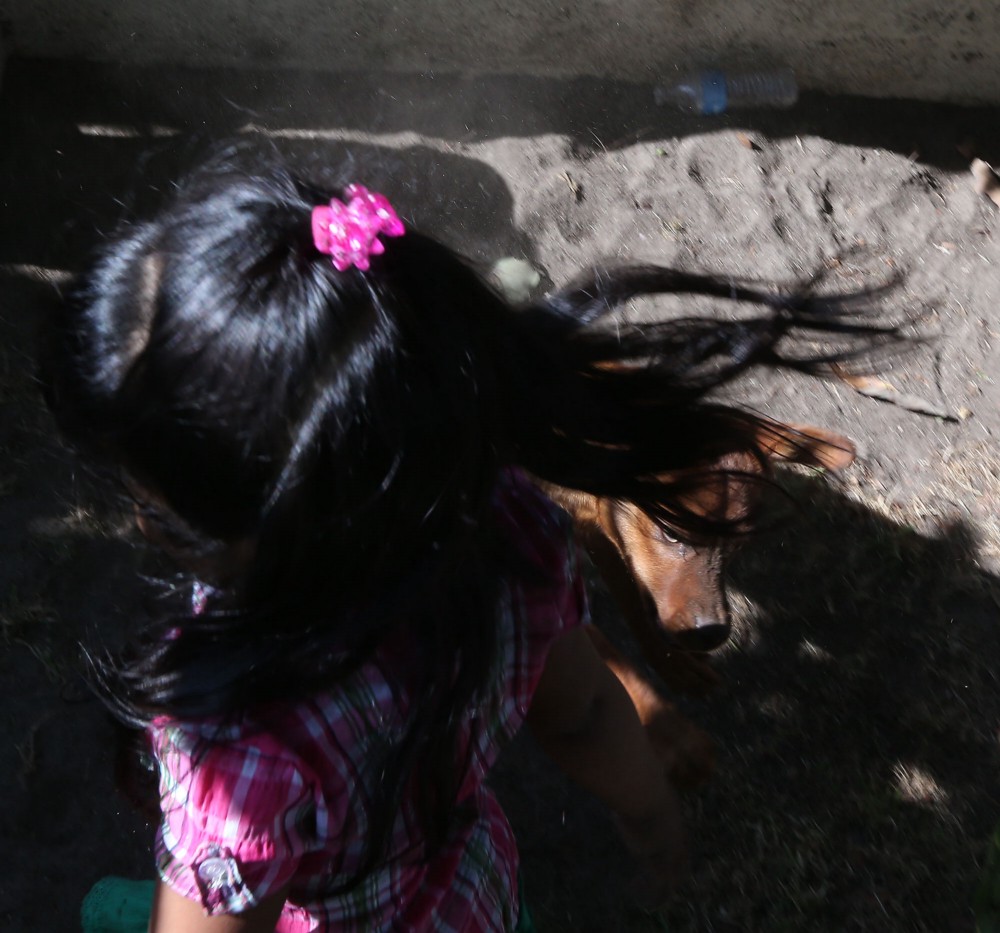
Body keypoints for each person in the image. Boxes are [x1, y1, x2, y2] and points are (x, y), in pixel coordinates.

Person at [42, 152, 896, 932]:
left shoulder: (241, 752)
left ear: (263, 514)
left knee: (97, 911)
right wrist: (649, 812)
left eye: (149, 494)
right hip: (469, 900)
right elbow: (591, 709)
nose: (141, 518)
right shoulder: (507, 525)